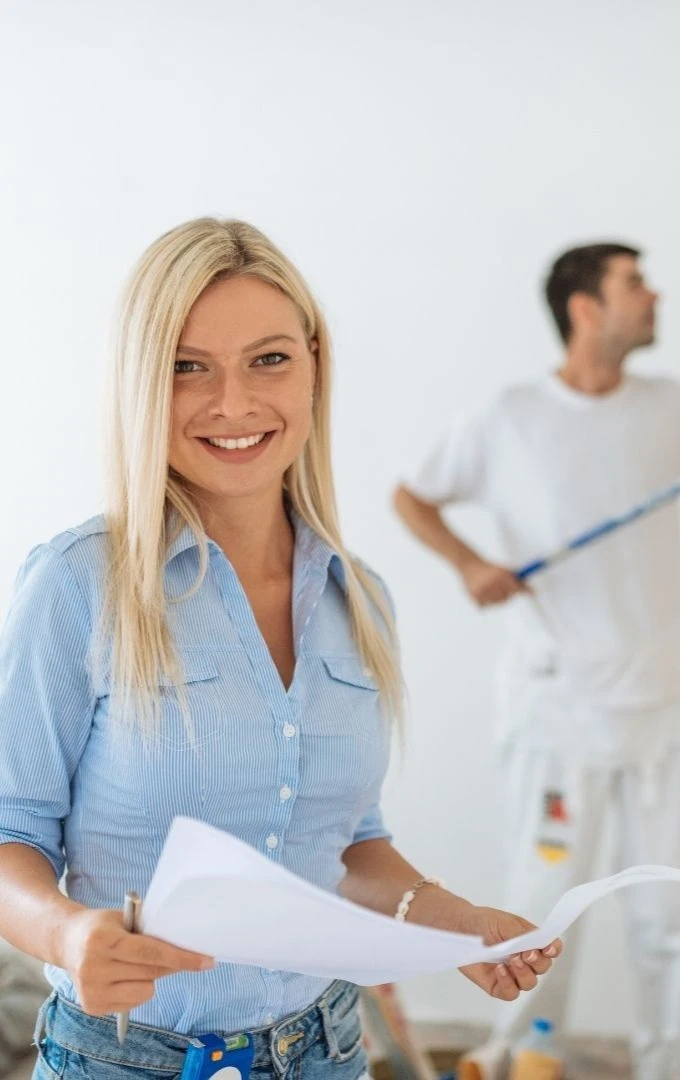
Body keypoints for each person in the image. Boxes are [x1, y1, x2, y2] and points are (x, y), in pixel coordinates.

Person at [0, 218, 561, 1080]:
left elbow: (343, 845)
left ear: (313, 367)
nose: (233, 403)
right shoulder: (80, 584)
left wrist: (453, 920)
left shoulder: (359, 598)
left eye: (269, 360)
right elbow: (10, 834)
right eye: (189, 367)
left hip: (326, 1049)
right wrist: (67, 933)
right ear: (144, 384)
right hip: (122, 1061)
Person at [393, 242, 680, 1080]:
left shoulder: (673, 408)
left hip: (659, 704)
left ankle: (669, 1067)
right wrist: (472, 564)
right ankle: (520, 1055)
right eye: (634, 283)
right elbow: (412, 495)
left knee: (669, 913)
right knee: (542, 905)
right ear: (585, 307)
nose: (653, 294)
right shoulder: (509, 416)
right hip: (558, 712)